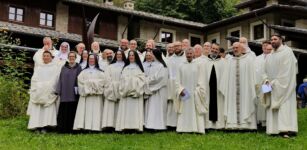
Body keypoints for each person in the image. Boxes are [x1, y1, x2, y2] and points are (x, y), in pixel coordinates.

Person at [262, 35, 298, 137]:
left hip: (285, 86)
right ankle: (273, 130)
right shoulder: (270, 55)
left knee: (284, 107)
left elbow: (286, 72)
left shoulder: (287, 52)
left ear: (281, 40)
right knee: (271, 107)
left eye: (275, 39)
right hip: (271, 85)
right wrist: (266, 80)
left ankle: (285, 130)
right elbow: (264, 71)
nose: (273, 41)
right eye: (271, 40)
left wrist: (274, 83)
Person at [221, 42, 257, 130]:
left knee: (246, 103)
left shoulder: (248, 60)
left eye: (237, 47)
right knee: (232, 104)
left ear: (242, 49)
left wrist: (252, 86)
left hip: (245, 90)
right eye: (234, 48)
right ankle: (232, 125)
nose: (235, 49)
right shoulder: (229, 61)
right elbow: (225, 77)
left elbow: (252, 76)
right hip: (232, 90)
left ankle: (247, 125)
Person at [175, 48, 207, 134]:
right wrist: (180, 90)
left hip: (195, 92)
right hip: (184, 92)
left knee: (195, 110)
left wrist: (198, 90)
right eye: (187, 53)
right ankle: (182, 128)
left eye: (190, 53)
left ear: (193, 54)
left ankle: (197, 129)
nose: (189, 55)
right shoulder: (181, 65)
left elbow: (201, 79)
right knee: (184, 110)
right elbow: (177, 80)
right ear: (185, 54)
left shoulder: (198, 64)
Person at [27, 51, 61, 133]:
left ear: (51, 57)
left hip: (49, 91)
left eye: (47, 56)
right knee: (38, 109)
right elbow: (34, 79)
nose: (45, 57)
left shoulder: (54, 68)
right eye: (44, 56)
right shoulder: (39, 68)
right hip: (39, 91)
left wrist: (47, 86)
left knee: (47, 109)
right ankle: (37, 126)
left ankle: (45, 126)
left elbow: (55, 79)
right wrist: (38, 87)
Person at [73, 54, 106, 131]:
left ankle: (96, 127)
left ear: (96, 60)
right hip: (86, 96)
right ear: (88, 60)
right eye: (90, 59)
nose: (91, 60)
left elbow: (103, 82)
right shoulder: (83, 72)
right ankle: (85, 127)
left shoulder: (100, 72)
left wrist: (90, 85)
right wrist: (90, 86)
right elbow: (80, 82)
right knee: (86, 112)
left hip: (96, 96)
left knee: (96, 112)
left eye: (93, 59)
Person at [116, 51, 145, 132]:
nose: (131, 57)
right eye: (130, 55)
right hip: (126, 94)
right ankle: (125, 126)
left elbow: (142, 80)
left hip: (135, 93)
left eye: (133, 55)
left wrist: (131, 82)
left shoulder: (139, 68)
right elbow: (121, 80)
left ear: (136, 56)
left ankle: (136, 127)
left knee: (135, 111)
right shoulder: (125, 68)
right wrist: (128, 83)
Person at [56, 51, 82, 133]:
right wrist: (59, 90)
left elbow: (80, 80)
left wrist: (79, 91)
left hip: (73, 94)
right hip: (64, 94)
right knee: (64, 112)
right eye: (70, 56)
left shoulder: (79, 67)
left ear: (75, 57)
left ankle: (72, 129)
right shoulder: (64, 67)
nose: (71, 58)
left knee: (72, 111)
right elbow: (60, 79)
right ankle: (62, 129)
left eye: (73, 56)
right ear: (68, 57)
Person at [202, 43, 226, 129]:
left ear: (219, 51)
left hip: (218, 88)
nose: (214, 50)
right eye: (213, 48)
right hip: (208, 88)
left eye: (216, 49)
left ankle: (218, 124)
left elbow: (225, 76)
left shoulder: (223, 62)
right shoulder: (204, 61)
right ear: (210, 48)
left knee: (218, 105)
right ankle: (208, 124)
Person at [144, 50, 169, 130]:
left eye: (152, 54)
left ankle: (158, 126)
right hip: (153, 90)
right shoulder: (154, 65)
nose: (151, 56)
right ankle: (150, 125)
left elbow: (159, 78)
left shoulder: (162, 66)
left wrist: (147, 81)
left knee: (158, 108)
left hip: (159, 90)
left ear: (155, 55)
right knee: (152, 108)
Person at [103, 50, 127, 130]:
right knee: (110, 108)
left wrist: (120, 86)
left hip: (121, 89)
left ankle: (119, 125)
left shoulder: (126, 66)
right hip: (111, 89)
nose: (119, 56)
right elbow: (107, 77)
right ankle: (109, 125)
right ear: (115, 56)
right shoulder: (110, 66)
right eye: (117, 54)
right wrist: (112, 86)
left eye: (120, 54)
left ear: (123, 55)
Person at [166, 41, 186, 128]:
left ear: (181, 46)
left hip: (184, 84)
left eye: (178, 46)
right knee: (172, 104)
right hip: (172, 84)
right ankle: (172, 124)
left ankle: (183, 123)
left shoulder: (186, 57)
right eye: (175, 46)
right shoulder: (170, 59)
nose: (176, 47)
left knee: (184, 102)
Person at [254, 41, 272, 127]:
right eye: (263, 46)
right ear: (262, 47)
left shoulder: (272, 56)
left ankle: (269, 120)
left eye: (267, 46)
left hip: (267, 83)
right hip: (259, 83)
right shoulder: (257, 58)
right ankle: (261, 121)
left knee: (268, 99)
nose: (265, 47)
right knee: (260, 101)